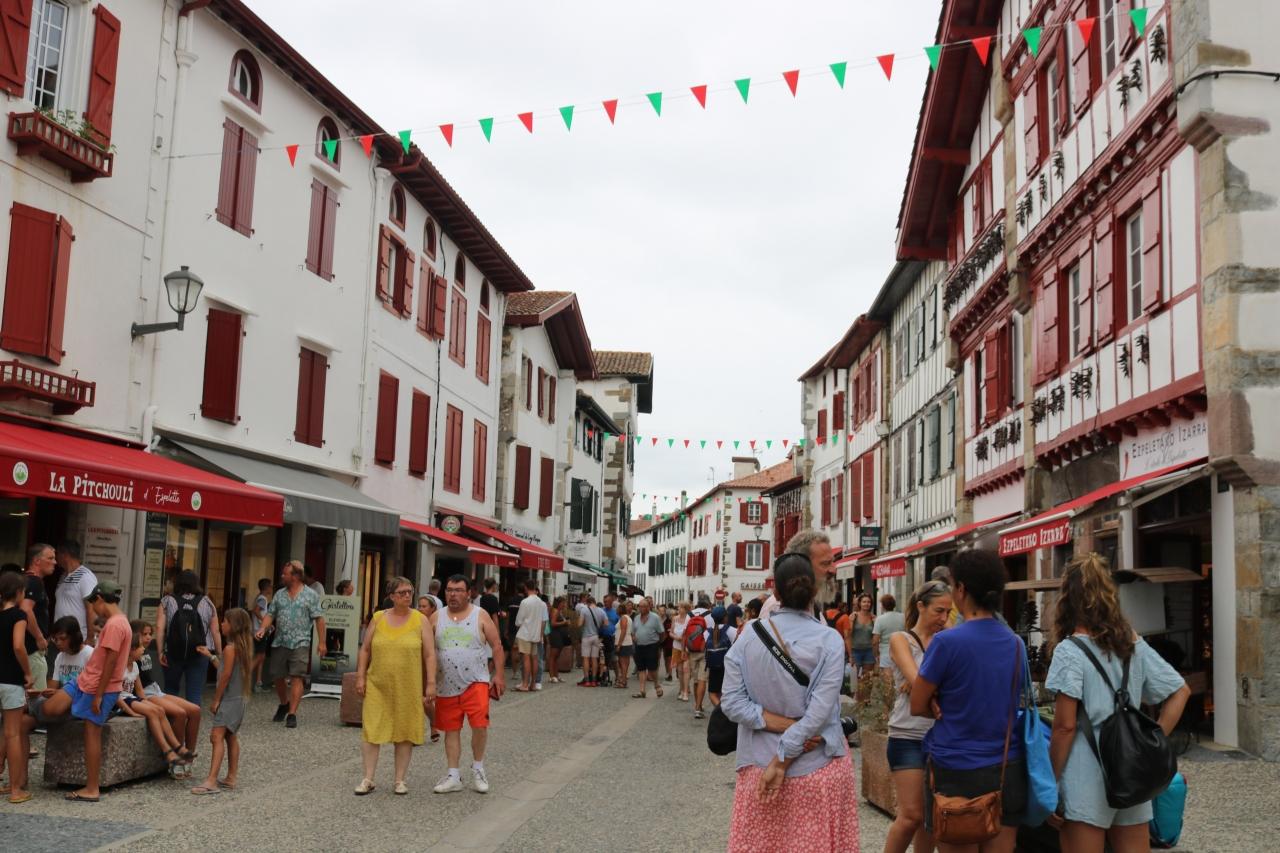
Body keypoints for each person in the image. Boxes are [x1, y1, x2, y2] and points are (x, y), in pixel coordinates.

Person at [1045, 554, 1191, 852]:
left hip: (1085, 775)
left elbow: (1064, 727)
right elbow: (1180, 691)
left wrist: (1049, 783)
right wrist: (1150, 741)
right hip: (1130, 771)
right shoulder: (1131, 643)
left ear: (1068, 598)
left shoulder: (1069, 651)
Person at [721, 553, 857, 851]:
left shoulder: (748, 636)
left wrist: (782, 735)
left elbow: (731, 703)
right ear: (814, 591)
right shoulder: (830, 640)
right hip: (818, 767)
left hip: (759, 764)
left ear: (776, 593)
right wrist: (786, 750)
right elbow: (820, 713)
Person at [910, 549, 1027, 851]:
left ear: (961, 589)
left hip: (956, 765)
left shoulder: (947, 642)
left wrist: (938, 703)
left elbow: (917, 704)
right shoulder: (1016, 643)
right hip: (1006, 764)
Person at [38, 580, 131, 802]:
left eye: (92, 603)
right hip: (86, 681)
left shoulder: (114, 625)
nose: (93, 609)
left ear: (100, 599)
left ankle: (91, 788)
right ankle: (91, 786)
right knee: (49, 708)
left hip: (97, 686)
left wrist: (98, 695)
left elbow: (110, 662)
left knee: (91, 734)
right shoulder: (120, 621)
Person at [884, 580, 953, 853]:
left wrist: (922, 688)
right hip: (907, 735)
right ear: (921, 606)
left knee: (931, 817)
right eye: (939, 611)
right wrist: (927, 688)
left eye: (948, 612)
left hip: (941, 736)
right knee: (911, 814)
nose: (944, 618)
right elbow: (917, 681)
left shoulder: (946, 641)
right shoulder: (901, 639)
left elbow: (931, 684)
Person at [353, 576, 436, 795]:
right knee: (371, 729)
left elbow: (429, 654)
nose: (407, 596)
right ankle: (368, 778)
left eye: (410, 592)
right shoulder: (378, 618)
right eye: (402, 592)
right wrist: (360, 676)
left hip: (408, 685)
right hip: (377, 683)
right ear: (391, 596)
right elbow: (365, 649)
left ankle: (400, 780)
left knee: (404, 730)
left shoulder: (420, 620)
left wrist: (430, 683)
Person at [431, 575, 505, 794]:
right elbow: (426, 650)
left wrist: (499, 675)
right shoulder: (436, 617)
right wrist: (428, 680)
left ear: (469, 593)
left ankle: (478, 767)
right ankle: (453, 775)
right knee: (451, 729)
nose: (453, 594)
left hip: (476, 681)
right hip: (446, 684)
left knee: (479, 725)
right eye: (449, 590)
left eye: (458, 590)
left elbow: (497, 645)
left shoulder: (479, 615)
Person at [256, 560, 326, 729]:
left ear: (295, 576)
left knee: (297, 676)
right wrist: (263, 628)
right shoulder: (279, 594)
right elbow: (270, 614)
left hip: (301, 642)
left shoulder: (311, 595)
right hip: (280, 640)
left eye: (285, 574)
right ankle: (284, 703)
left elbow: (319, 619)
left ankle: (292, 713)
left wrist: (322, 642)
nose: (282, 576)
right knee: (277, 676)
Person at [190, 608, 252, 794]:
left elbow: (225, 677)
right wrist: (210, 656)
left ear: (234, 626)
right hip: (238, 699)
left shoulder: (230, 648)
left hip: (229, 699)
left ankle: (211, 781)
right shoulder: (241, 648)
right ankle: (231, 777)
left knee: (216, 736)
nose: (222, 624)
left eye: (225, 621)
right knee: (230, 736)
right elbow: (225, 669)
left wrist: (216, 700)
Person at [112, 629, 188, 778]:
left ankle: (177, 747)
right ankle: (167, 751)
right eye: (140, 647)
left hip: (131, 698)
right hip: (120, 701)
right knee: (153, 712)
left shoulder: (134, 665)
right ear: (131, 649)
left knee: (159, 710)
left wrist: (147, 704)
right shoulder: (118, 667)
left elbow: (140, 691)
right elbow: (114, 694)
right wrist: (131, 712)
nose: (143, 649)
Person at [129, 620, 199, 772]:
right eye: (144, 634)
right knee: (180, 713)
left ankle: (189, 757)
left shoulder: (145, 650)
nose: (148, 637)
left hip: (155, 689)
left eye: (150, 634)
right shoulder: (132, 653)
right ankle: (177, 758)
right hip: (145, 693)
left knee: (195, 710)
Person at [156, 570, 222, 705]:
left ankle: (171, 717)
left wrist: (160, 652)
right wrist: (218, 654)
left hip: (173, 652)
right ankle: (193, 718)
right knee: (194, 692)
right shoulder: (207, 602)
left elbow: (159, 628)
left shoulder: (167, 601)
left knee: (171, 690)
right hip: (200, 652)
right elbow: (215, 631)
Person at [0, 572, 33, 803]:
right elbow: (19, 645)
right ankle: (15, 790)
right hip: (11, 680)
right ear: (19, 592)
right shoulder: (19, 615)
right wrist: (28, 672)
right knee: (12, 733)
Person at [761, 530, 837, 620]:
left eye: (832, 562)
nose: (833, 570)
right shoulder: (776, 607)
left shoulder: (811, 605)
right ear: (802, 565)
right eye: (825, 563)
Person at [20, 544, 54, 694]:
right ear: (37, 561)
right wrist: (39, 637)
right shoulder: (34, 581)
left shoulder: (22, 580)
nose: (55, 562)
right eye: (50, 558)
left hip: (23, 649)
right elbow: (26, 609)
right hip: (32, 650)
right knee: (36, 700)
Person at [54, 541, 98, 645]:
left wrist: (90, 637)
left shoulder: (86, 577)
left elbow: (91, 609)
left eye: (57, 554)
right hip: (61, 638)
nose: (55, 559)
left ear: (65, 555)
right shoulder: (63, 576)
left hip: (77, 639)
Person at [513, 581, 545, 693]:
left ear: (526, 588)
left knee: (526, 658)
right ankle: (533, 684)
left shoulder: (525, 602)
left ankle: (525, 684)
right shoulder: (541, 602)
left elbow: (518, 621)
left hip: (525, 633)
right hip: (535, 634)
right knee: (534, 658)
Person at [629, 597, 664, 698]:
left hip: (652, 645)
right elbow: (632, 631)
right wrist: (633, 637)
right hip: (639, 646)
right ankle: (642, 691)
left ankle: (657, 685)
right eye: (640, 606)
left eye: (643, 606)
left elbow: (661, 632)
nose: (641, 608)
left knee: (652, 669)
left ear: (648, 607)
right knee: (641, 668)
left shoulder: (655, 618)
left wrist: (658, 643)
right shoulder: (636, 618)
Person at [705, 604, 737, 707]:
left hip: (713, 667)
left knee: (713, 693)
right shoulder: (732, 630)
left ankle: (720, 711)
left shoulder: (706, 632)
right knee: (725, 693)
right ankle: (724, 711)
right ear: (725, 617)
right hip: (728, 667)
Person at [689, 597, 714, 719]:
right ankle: (698, 708)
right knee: (702, 679)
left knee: (695, 680)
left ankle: (697, 705)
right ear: (708, 605)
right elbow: (713, 632)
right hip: (705, 650)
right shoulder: (710, 615)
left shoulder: (690, 614)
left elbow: (685, 633)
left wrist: (683, 650)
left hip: (691, 650)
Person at [575, 594, 606, 687]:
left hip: (586, 637)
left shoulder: (584, 610)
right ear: (595, 602)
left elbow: (579, 624)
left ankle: (587, 680)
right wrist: (599, 625)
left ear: (588, 603)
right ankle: (594, 680)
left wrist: (581, 621)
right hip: (596, 637)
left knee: (586, 658)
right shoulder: (601, 610)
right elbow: (606, 623)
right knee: (594, 658)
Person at [873, 593, 907, 668]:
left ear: (883, 606)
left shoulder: (879, 619)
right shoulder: (903, 617)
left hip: (886, 653)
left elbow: (875, 641)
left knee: (887, 675)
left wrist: (876, 655)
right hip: (901, 651)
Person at [251, 578, 272, 692]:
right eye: (270, 586)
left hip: (259, 631)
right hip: (260, 631)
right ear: (266, 587)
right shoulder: (262, 599)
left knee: (261, 657)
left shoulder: (259, 597)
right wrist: (265, 622)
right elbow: (256, 610)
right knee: (259, 656)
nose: (271, 588)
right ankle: (244, 676)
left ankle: (258, 682)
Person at [850, 594, 876, 675]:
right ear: (859, 603)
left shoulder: (873, 618)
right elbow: (848, 635)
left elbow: (875, 636)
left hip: (869, 651)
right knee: (854, 677)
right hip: (855, 650)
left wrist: (876, 623)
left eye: (868, 602)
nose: (866, 604)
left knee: (867, 677)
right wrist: (851, 621)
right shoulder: (854, 616)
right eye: (864, 602)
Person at [670, 602, 691, 701]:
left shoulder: (689, 619)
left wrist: (683, 639)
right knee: (679, 671)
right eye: (678, 607)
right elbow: (671, 632)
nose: (678, 609)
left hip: (686, 648)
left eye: (680, 607)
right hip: (676, 647)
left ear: (686, 609)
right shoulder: (675, 618)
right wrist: (676, 637)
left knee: (686, 669)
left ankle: (686, 692)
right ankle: (682, 690)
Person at [547, 596, 570, 683]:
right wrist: (564, 622)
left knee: (557, 657)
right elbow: (552, 623)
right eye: (563, 603)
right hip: (555, 635)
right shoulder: (555, 610)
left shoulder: (559, 611)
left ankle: (556, 675)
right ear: (559, 603)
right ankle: (551, 676)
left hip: (560, 635)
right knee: (553, 656)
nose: (564, 605)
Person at [613, 600, 633, 689]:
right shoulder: (627, 617)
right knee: (625, 663)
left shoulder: (623, 618)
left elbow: (623, 631)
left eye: (617, 609)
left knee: (622, 663)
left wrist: (619, 645)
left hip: (624, 643)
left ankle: (623, 681)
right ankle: (623, 680)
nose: (616, 610)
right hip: (627, 642)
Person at [660, 605, 674, 682]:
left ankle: (669, 674)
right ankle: (668, 672)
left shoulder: (674, 621)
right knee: (667, 659)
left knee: (669, 659)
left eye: (674, 614)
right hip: (667, 643)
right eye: (672, 615)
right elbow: (664, 633)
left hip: (671, 643)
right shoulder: (667, 622)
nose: (673, 616)